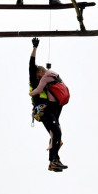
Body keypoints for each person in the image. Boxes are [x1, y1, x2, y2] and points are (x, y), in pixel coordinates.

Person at [28, 37, 67, 172]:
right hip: (43, 111)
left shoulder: (47, 85)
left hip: (50, 111)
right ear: (39, 74)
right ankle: (54, 160)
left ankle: (53, 162)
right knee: (55, 133)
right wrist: (35, 47)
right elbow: (31, 64)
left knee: (56, 136)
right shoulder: (35, 81)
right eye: (43, 73)